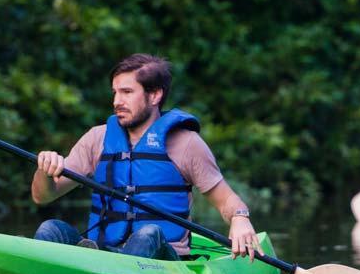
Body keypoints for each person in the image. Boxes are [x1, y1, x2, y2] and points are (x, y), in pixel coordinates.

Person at [31, 53, 260, 260]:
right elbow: (43, 197)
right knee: (50, 229)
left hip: (163, 262)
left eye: (127, 92)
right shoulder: (96, 138)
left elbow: (228, 201)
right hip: (104, 254)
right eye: (115, 92)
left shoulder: (186, 144)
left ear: (155, 95)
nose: (116, 102)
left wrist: (240, 218)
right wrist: (45, 170)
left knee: (148, 234)